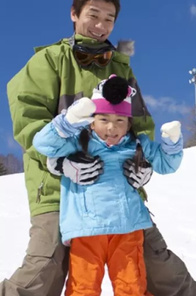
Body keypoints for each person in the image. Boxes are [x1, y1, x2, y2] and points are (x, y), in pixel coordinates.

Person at [3, 1, 196, 295]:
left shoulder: (120, 67)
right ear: (74, 14)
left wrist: (143, 164)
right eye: (93, 15)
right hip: (58, 190)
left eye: (109, 18)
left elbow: (140, 125)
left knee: (159, 266)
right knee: (44, 269)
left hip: (118, 192)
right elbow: (29, 123)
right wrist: (59, 163)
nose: (101, 25)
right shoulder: (48, 61)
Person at [32, 75, 183, 295]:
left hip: (127, 229)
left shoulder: (137, 145)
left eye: (120, 120)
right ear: (91, 120)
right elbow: (43, 144)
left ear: (129, 123)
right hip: (87, 229)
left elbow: (167, 165)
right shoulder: (79, 142)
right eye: (103, 119)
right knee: (83, 287)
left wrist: (172, 142)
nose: (111, 127)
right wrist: (68, 122)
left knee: (131, 287)